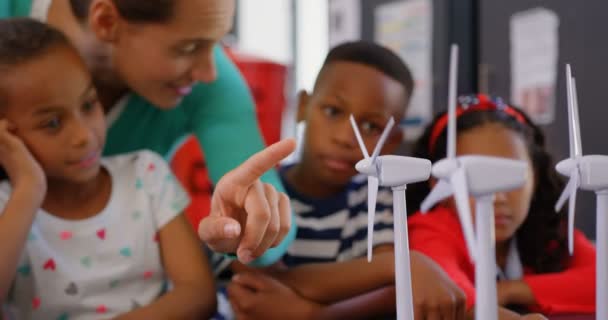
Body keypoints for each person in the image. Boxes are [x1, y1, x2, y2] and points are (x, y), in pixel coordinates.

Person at [0, 0, 296, 266]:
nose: (209, 73)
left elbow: (273, 231)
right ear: (106, 21)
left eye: (217, 42)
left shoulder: (211, 84)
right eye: (189, 47)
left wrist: (247, 227)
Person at [225, 41, 470, 320]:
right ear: (303, 106)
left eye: (371, 127)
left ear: (391, 141)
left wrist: (310, 314)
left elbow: (391, 293)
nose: (344, 138)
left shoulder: (379, 200)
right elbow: (254, 282)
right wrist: (400, 264)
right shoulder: (262, 192)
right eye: (332, 111)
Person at [0, 18, 217, 319]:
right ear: (6, 137)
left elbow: (199, 295)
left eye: (89, 104)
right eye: (52, 123)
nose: (84, 135)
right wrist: (29, 189)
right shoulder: (8, 209)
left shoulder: (146, 176)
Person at [407, 94, 595, 317]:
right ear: (440, 183)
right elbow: (454, 297)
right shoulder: (430, 230)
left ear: (535, 176)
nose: (498, 196)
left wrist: (508, 290)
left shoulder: (548, 229)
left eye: (512, 175)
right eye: (475, 175)